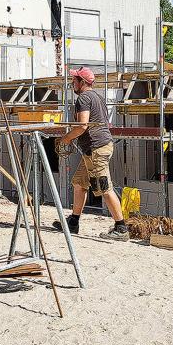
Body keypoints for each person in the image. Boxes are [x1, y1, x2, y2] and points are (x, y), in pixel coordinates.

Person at [52, 67, 129, 241]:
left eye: (75, 80)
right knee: (79, 183)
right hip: (96, 148)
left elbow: (82, 126)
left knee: (104, 187)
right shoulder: (98, 97)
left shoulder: (84, 98)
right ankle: (73, 222)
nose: (73, 82)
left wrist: (65, 139)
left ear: (83, 82)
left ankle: (121, 227)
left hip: (96, 149)